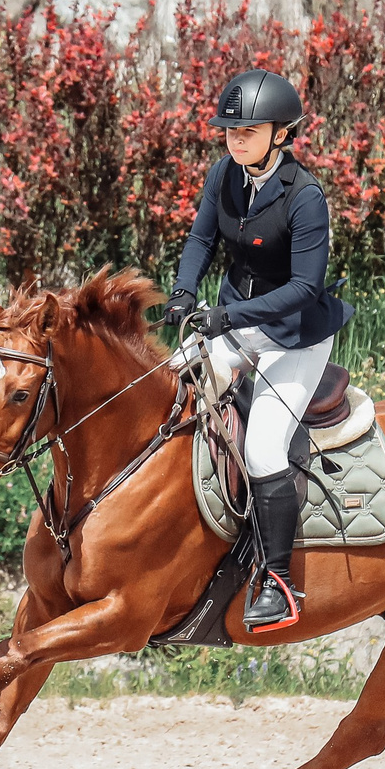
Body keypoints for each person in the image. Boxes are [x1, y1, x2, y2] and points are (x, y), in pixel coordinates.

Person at [162, 68, 354, 632]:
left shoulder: (306, 197)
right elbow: (201, 239)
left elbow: (303, 290)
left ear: (282, 133)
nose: (235, 139)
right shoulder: (223, 174)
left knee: (266, 449)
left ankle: (277, 581)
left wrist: (226, 317)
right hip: (231, 320)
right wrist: (183, 293)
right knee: (170, 391)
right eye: (230, 130)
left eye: (249, 131)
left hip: (295, 335)